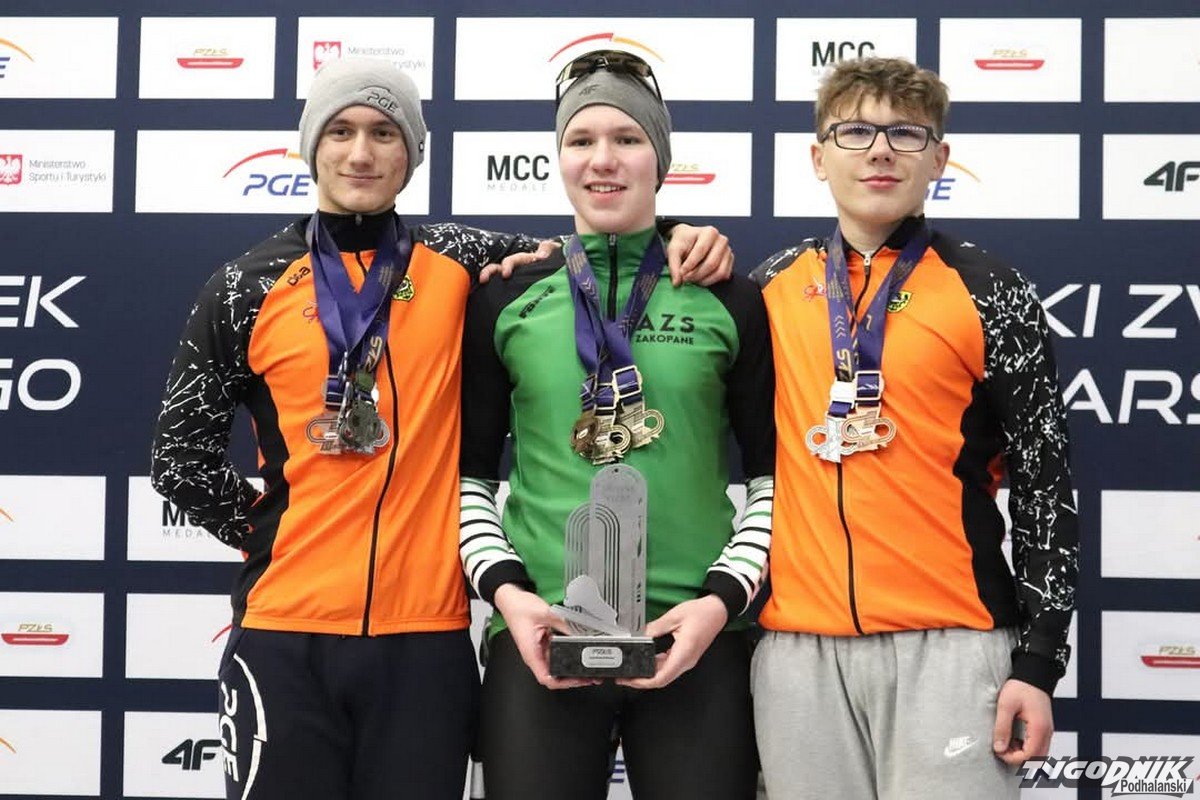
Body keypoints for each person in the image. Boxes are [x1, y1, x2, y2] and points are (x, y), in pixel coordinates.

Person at [150, 56, 731, 800]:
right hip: (284, 630)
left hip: (424, 639)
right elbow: (179, 461)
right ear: (311, 145)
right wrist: (278, 533)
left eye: (384, 133)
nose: (361, 153)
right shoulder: (244, 286)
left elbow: (596, 250)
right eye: (341, 131)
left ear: (413, 152)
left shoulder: (462, 261)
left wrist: (684, 234)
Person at [749, 56, 1078, 799]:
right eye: (855, 132)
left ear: (939, 158)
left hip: (953, 646)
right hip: (798, 652)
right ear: (818, 157)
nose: (880, 151)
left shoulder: (991, 291)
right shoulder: (767, 288)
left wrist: (1039, 663)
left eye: (906, 133)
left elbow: (1045, 483)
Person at [458, 50, 775, 800]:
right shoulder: (505, 299)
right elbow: (468, 480)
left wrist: (721, 601)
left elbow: (774, 479)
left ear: (659, 158)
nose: (603, 160)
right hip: (542, 635)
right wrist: (508, 594)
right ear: (560, 157)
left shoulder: (728, 297)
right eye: (581, 140)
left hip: (699, 637)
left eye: (628, 139)